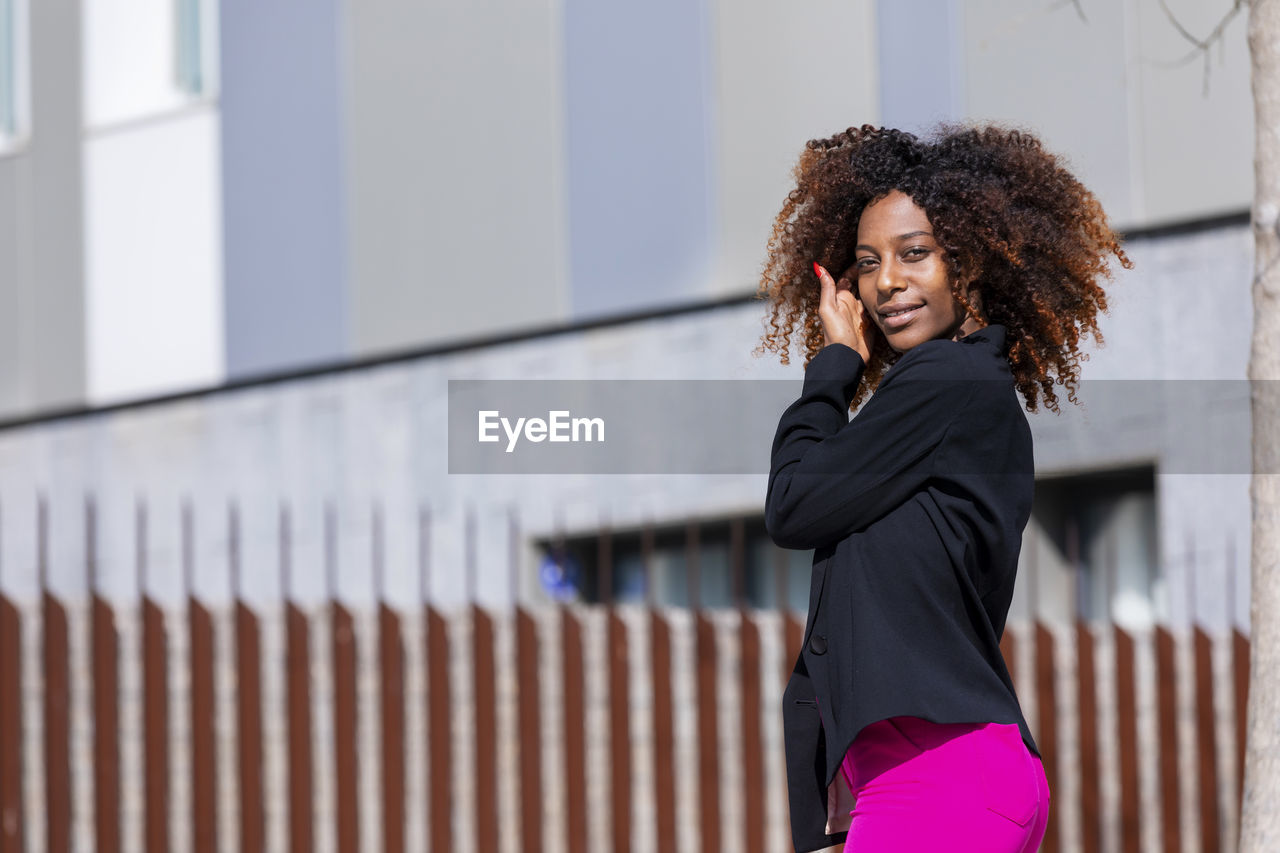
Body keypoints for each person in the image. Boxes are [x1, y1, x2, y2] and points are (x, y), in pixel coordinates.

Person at [754, 123, 1132, 852]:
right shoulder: (953, 405)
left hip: (940, 775)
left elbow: (793, 500)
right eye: (868, 264)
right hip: (933, 777)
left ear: (973, 264)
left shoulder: (946, 382)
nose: (887, 280)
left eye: (914, 253)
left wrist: (834, 364)